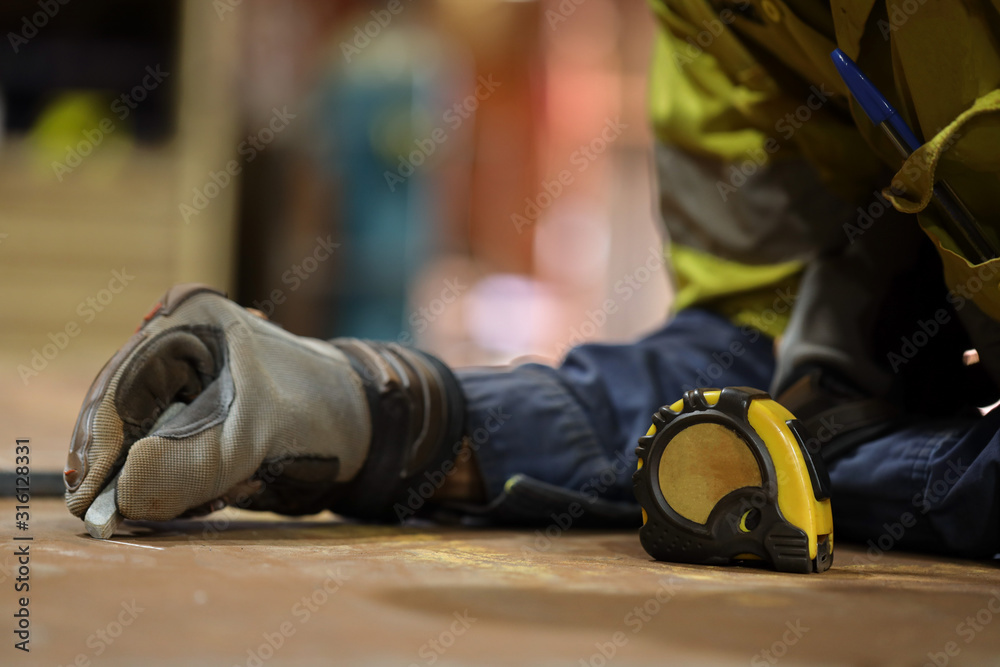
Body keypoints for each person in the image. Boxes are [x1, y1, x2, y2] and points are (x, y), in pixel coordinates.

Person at [65, 0, 1000, 558]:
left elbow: (778, 440)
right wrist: (372, 410)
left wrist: (849, 471)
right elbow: (748, 365)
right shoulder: (729, 17)